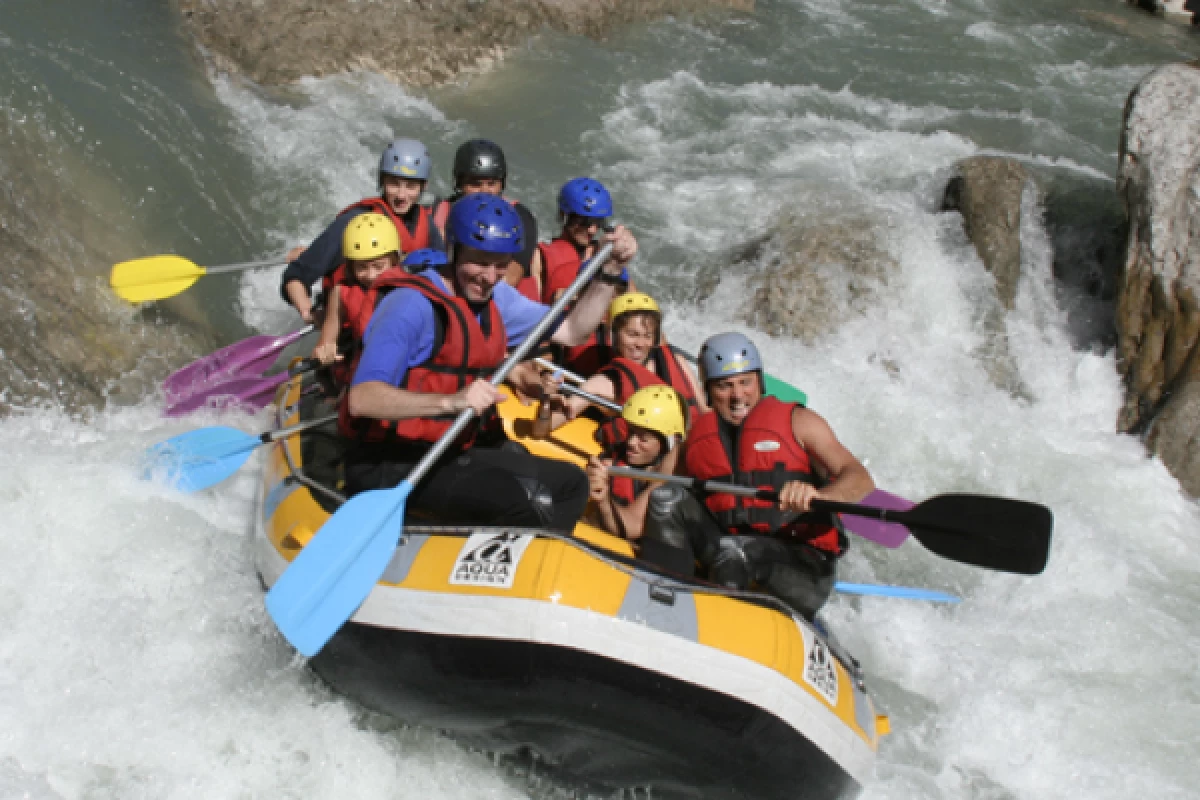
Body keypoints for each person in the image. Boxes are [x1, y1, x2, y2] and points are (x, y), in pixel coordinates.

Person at [338, 194, 638, 531]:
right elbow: (362, 399)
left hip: (454, 447)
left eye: (500, 264)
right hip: (392, 460)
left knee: (572, 484)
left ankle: (526, 569)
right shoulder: (409, 306)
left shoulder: (496, 298)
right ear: (453, 250)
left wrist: (610, 272)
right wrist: (450, 401)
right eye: (479, 261)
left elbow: (573, 330)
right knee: (531, 501)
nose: (490, 276)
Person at [646, 332, 875, 619]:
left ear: (760, 382)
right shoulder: (695, 440)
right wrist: (604, 499)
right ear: (707, 390)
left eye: (745, 382)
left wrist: (820, 496)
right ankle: (662, 606)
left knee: (736, 552)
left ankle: (724, 631)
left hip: (801, 568)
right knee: (666, 498)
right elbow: (653, 501)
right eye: (724, 386)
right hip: (727, 553)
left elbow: (859, 478)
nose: (738, 395)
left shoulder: (800, 423)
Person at [281, 138, 444, 322]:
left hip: (401, 319)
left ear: (424, 186)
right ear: (382, 181)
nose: (401, 195)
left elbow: (444, 274)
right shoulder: (355, 222)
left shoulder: (425, 222)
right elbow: (295, 275)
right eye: (393, 183)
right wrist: (309, 313)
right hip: (352, 327)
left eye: (411, 186)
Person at [535, 292, 705, 446]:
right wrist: (545, 403)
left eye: (647, 336)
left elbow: (703, 411)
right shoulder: (602, 383)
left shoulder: (676, 360)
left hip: (692, 448)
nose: (640, 344)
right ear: (614, 335)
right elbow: (541, 431)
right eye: (632, 335)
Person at [434, 139, 541, 298]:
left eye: (491, 183)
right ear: (460, 184)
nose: (485, 191)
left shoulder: (519, 217)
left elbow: (508, 279)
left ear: (502, 184)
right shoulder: (440, 213)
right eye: (475, 184)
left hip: (497, 305)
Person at [584, 386, 687, 543]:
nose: (631, 442)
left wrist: (603, 499)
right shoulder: (612, 459)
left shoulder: (669, 476)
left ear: (670, 443)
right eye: (631, 432)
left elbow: (630, 526)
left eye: (643, 439)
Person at [310, 213, 401, 379]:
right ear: (351, 266)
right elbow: (325, 341)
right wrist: (323, 353)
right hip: (360, 372)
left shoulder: (408, 289)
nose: (371, 275)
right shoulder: (340, 292)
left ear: (394, 260)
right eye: (361, 267)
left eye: (378, 266)